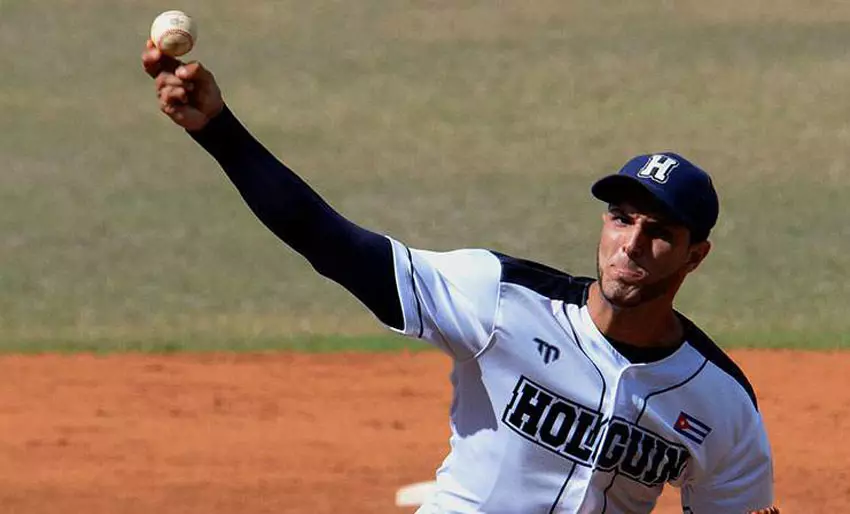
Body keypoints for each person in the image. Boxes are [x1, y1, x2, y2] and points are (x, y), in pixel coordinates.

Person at [141, 40, 779, 514]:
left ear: (695, 255)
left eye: (660, 232)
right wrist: (219, 131)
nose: (630, 245)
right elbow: (329, 241)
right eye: (621, 219)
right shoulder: (500, 298)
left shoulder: (720, 402)